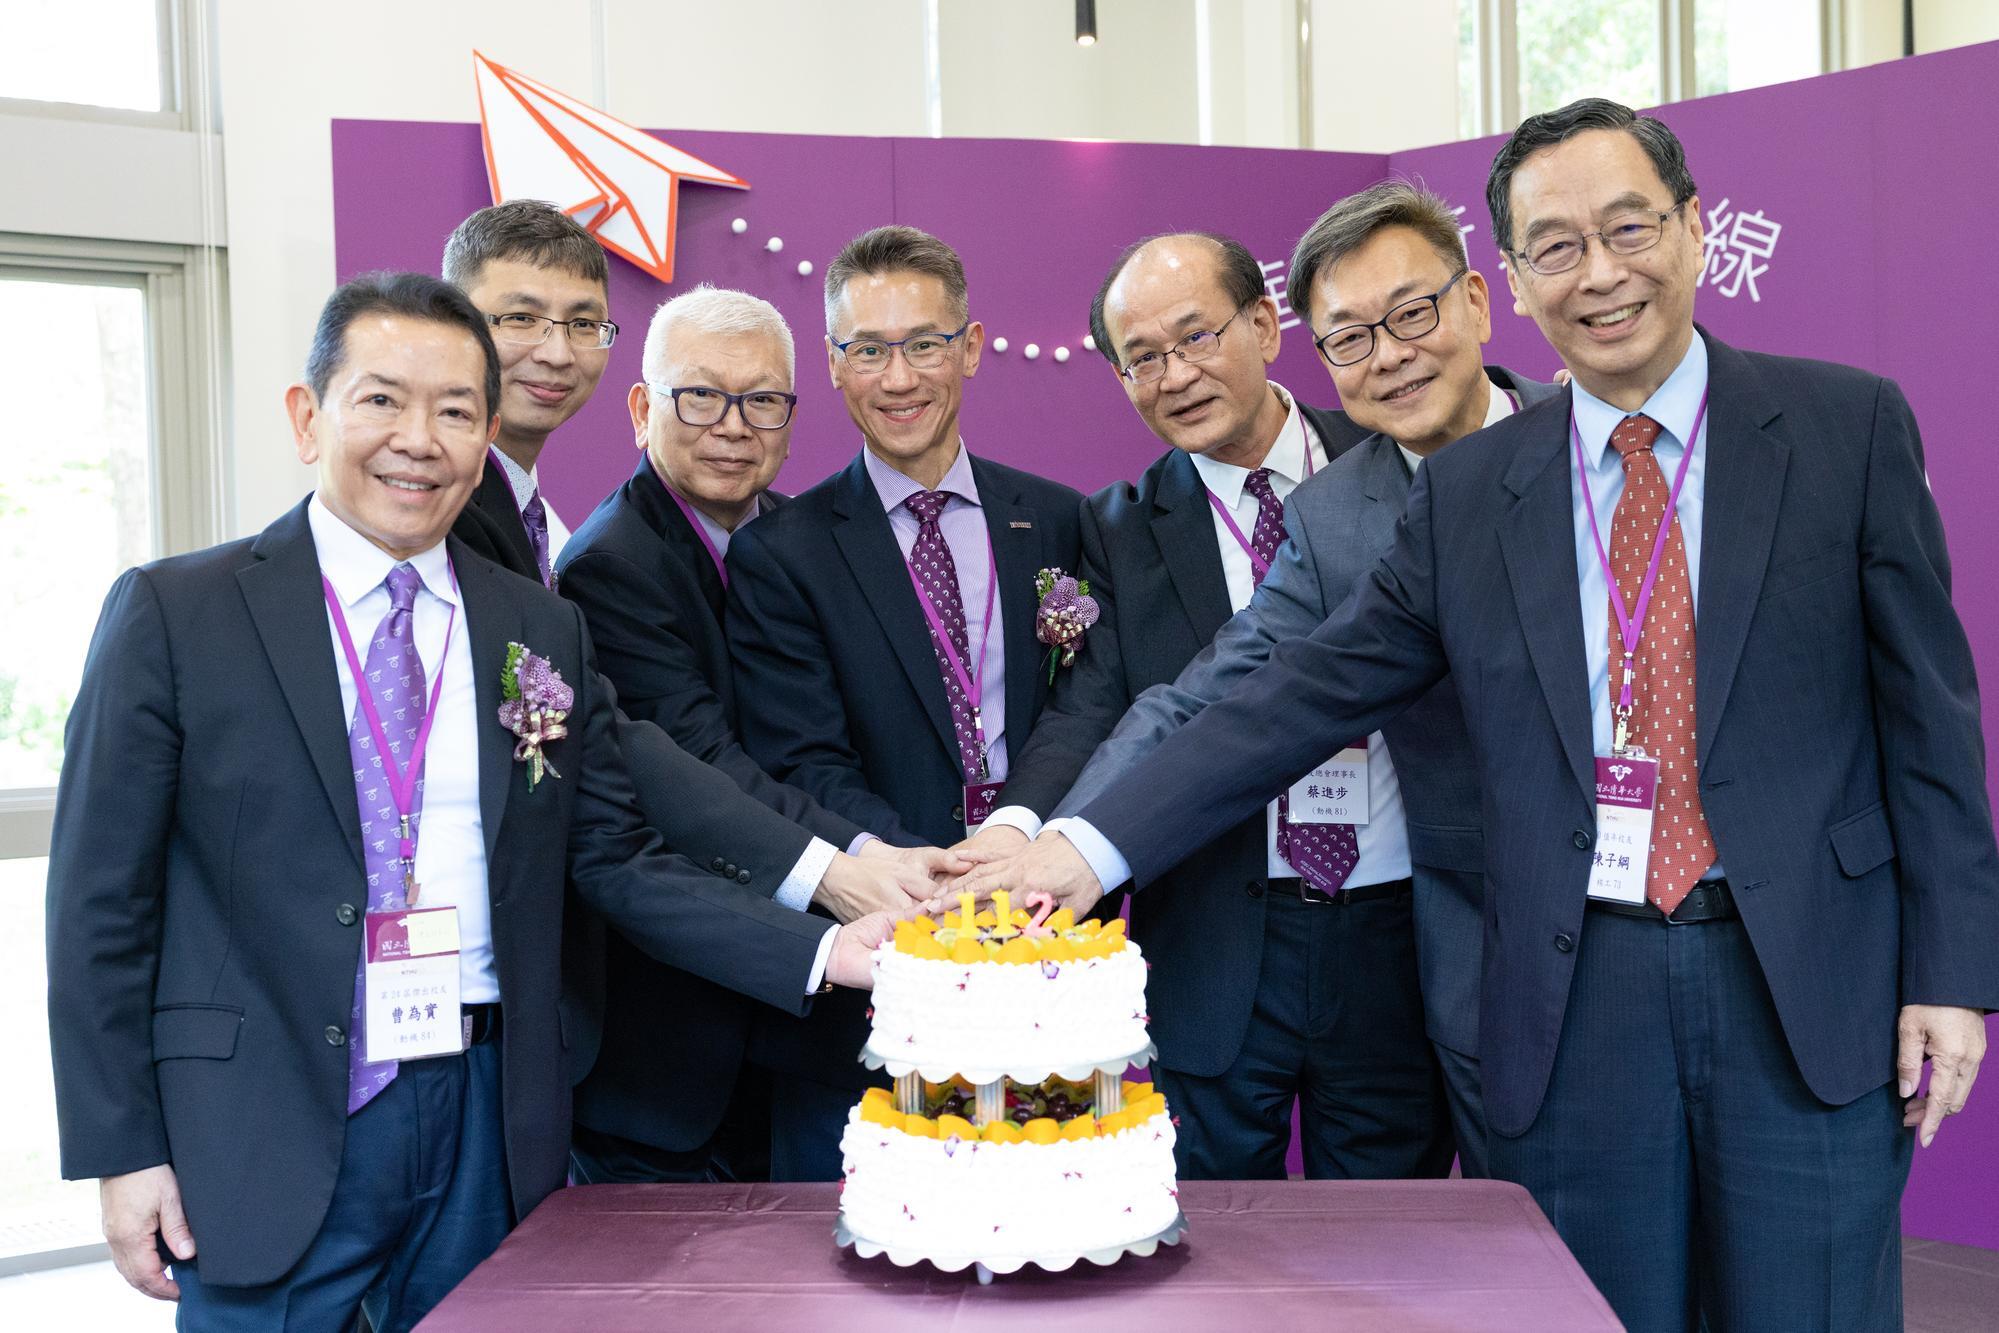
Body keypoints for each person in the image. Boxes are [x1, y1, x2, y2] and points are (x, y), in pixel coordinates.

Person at [960, 99, 1997, 1331]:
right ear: (1515, 275)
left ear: (1694, 229)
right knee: (1599, 1311)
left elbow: (1926, 719)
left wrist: (1950, 971)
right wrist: (1080, 848)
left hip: (1806, 978)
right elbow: (1278, 695)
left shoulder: (1845, 427)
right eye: (1555, 246)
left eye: (1628, 228)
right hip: (1577, 993)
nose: (1599, 273)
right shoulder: (1462, 495)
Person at [45, 272, 895, 1332]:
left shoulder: (533, 625)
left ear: (487, 432)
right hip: (270, 1111)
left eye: (454, 411)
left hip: (490, 1108)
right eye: (382, 400)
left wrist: (819, 950)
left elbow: (615, 854)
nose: (420, 438)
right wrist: (123, 1148)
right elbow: (99, 905)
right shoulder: (180, 613)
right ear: (309, 417)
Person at [1019, 186, 1558, 1179]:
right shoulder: (1329, 516)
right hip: (1248, 936)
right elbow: (1219, 697)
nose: (1387, 355)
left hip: (1479, 924)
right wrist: (1066, 843)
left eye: (1410, 316)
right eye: (1350, 337)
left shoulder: (1589, 441)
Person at [963, 229, 1448, 1181]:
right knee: (1217, 1244)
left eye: (1195, 337)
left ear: (1265, 323)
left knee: (1394, 1238)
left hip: (1404, 922)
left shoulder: (1397, 454)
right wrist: (1028, 828)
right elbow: (1101, 706)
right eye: (1141, 359)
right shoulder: (1115, 525)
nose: (1173, 375)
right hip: (1221, 933)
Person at [558, 286, 920, 1180]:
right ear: (643, 408)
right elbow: (698, 764)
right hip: (677, 1047)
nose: (732, 426)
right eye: (700, 396)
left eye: (761, 400)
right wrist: (857, 866)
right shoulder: (609, 565)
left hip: (810, 1034)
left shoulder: (807, 541)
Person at [727, 225, 1083, 849]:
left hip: (1049, 885)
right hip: (890, 901)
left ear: (970, 349)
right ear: (834, 364)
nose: (897, 380)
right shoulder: (782, 555)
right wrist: (926, 875)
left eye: (924, 345)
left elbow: (1085, 715)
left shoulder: (1061, 520)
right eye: (867, 351)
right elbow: (807, 762)